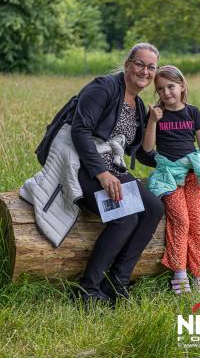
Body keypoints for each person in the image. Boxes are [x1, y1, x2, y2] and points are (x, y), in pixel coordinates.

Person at [71, 43, 164, 306]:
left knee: (154, 208)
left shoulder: (139, 104)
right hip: (82, 167)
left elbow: (141, 153)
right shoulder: (104, 88)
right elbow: (80, 131)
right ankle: (87, 291)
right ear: (127, 64)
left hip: (112, 169)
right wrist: (101, 173)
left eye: (150, 67)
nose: (144, 71)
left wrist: (173, 163)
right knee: (125, 217)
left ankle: (117, 284)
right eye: (139, 64)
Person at [142, 65, 200, 295]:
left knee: (197, 223)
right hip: (169, 176)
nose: (166, 92)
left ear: (182, 86)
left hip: (192, 174)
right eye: (160, 89)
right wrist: (153, 121)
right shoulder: (157, 113)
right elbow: (147, 148)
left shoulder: (193, 112)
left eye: (171, 86)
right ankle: (179, 272)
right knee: (181, 221)